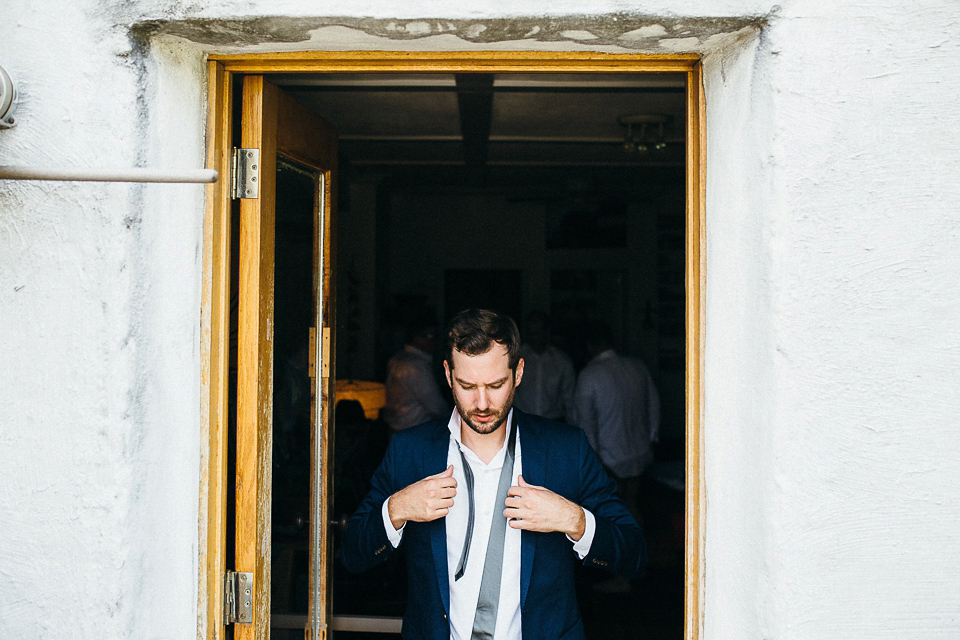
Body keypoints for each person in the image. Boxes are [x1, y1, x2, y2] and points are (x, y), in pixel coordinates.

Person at [342, 309, 646, 640]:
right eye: (467, 385)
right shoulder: (410, 451)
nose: (482, 403)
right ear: (447, 374)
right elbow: (353, 555)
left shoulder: (566, 450)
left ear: (518, 373)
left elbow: (633, 554)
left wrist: (575, 520)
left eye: (496, 384)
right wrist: (396, 510)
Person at [573, 321, 660, 522]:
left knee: (613, 512)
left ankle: (628, 550)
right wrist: (652, 439)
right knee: (633, 503)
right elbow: (654, 404)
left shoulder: (589, 375)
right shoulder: (637, 367)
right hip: (640, 452)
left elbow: (585, 422)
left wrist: (593, 458)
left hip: (609, 459)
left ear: (590, 346)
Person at [382, 318, 449, 431]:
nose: (436, 342)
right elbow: (436, 407)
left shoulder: (399, 358)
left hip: (398, 429)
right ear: (416, 338)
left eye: (436, 336)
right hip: (414, 430)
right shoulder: (416, 366)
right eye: (430, 337)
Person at [512, 310, 576, 423]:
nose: (534, 338)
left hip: (554, 423)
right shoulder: (516, 358)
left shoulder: (562, 362)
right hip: (523, 423)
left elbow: (569, 399)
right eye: (530, 333)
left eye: (537, 333)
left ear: (547, 332)